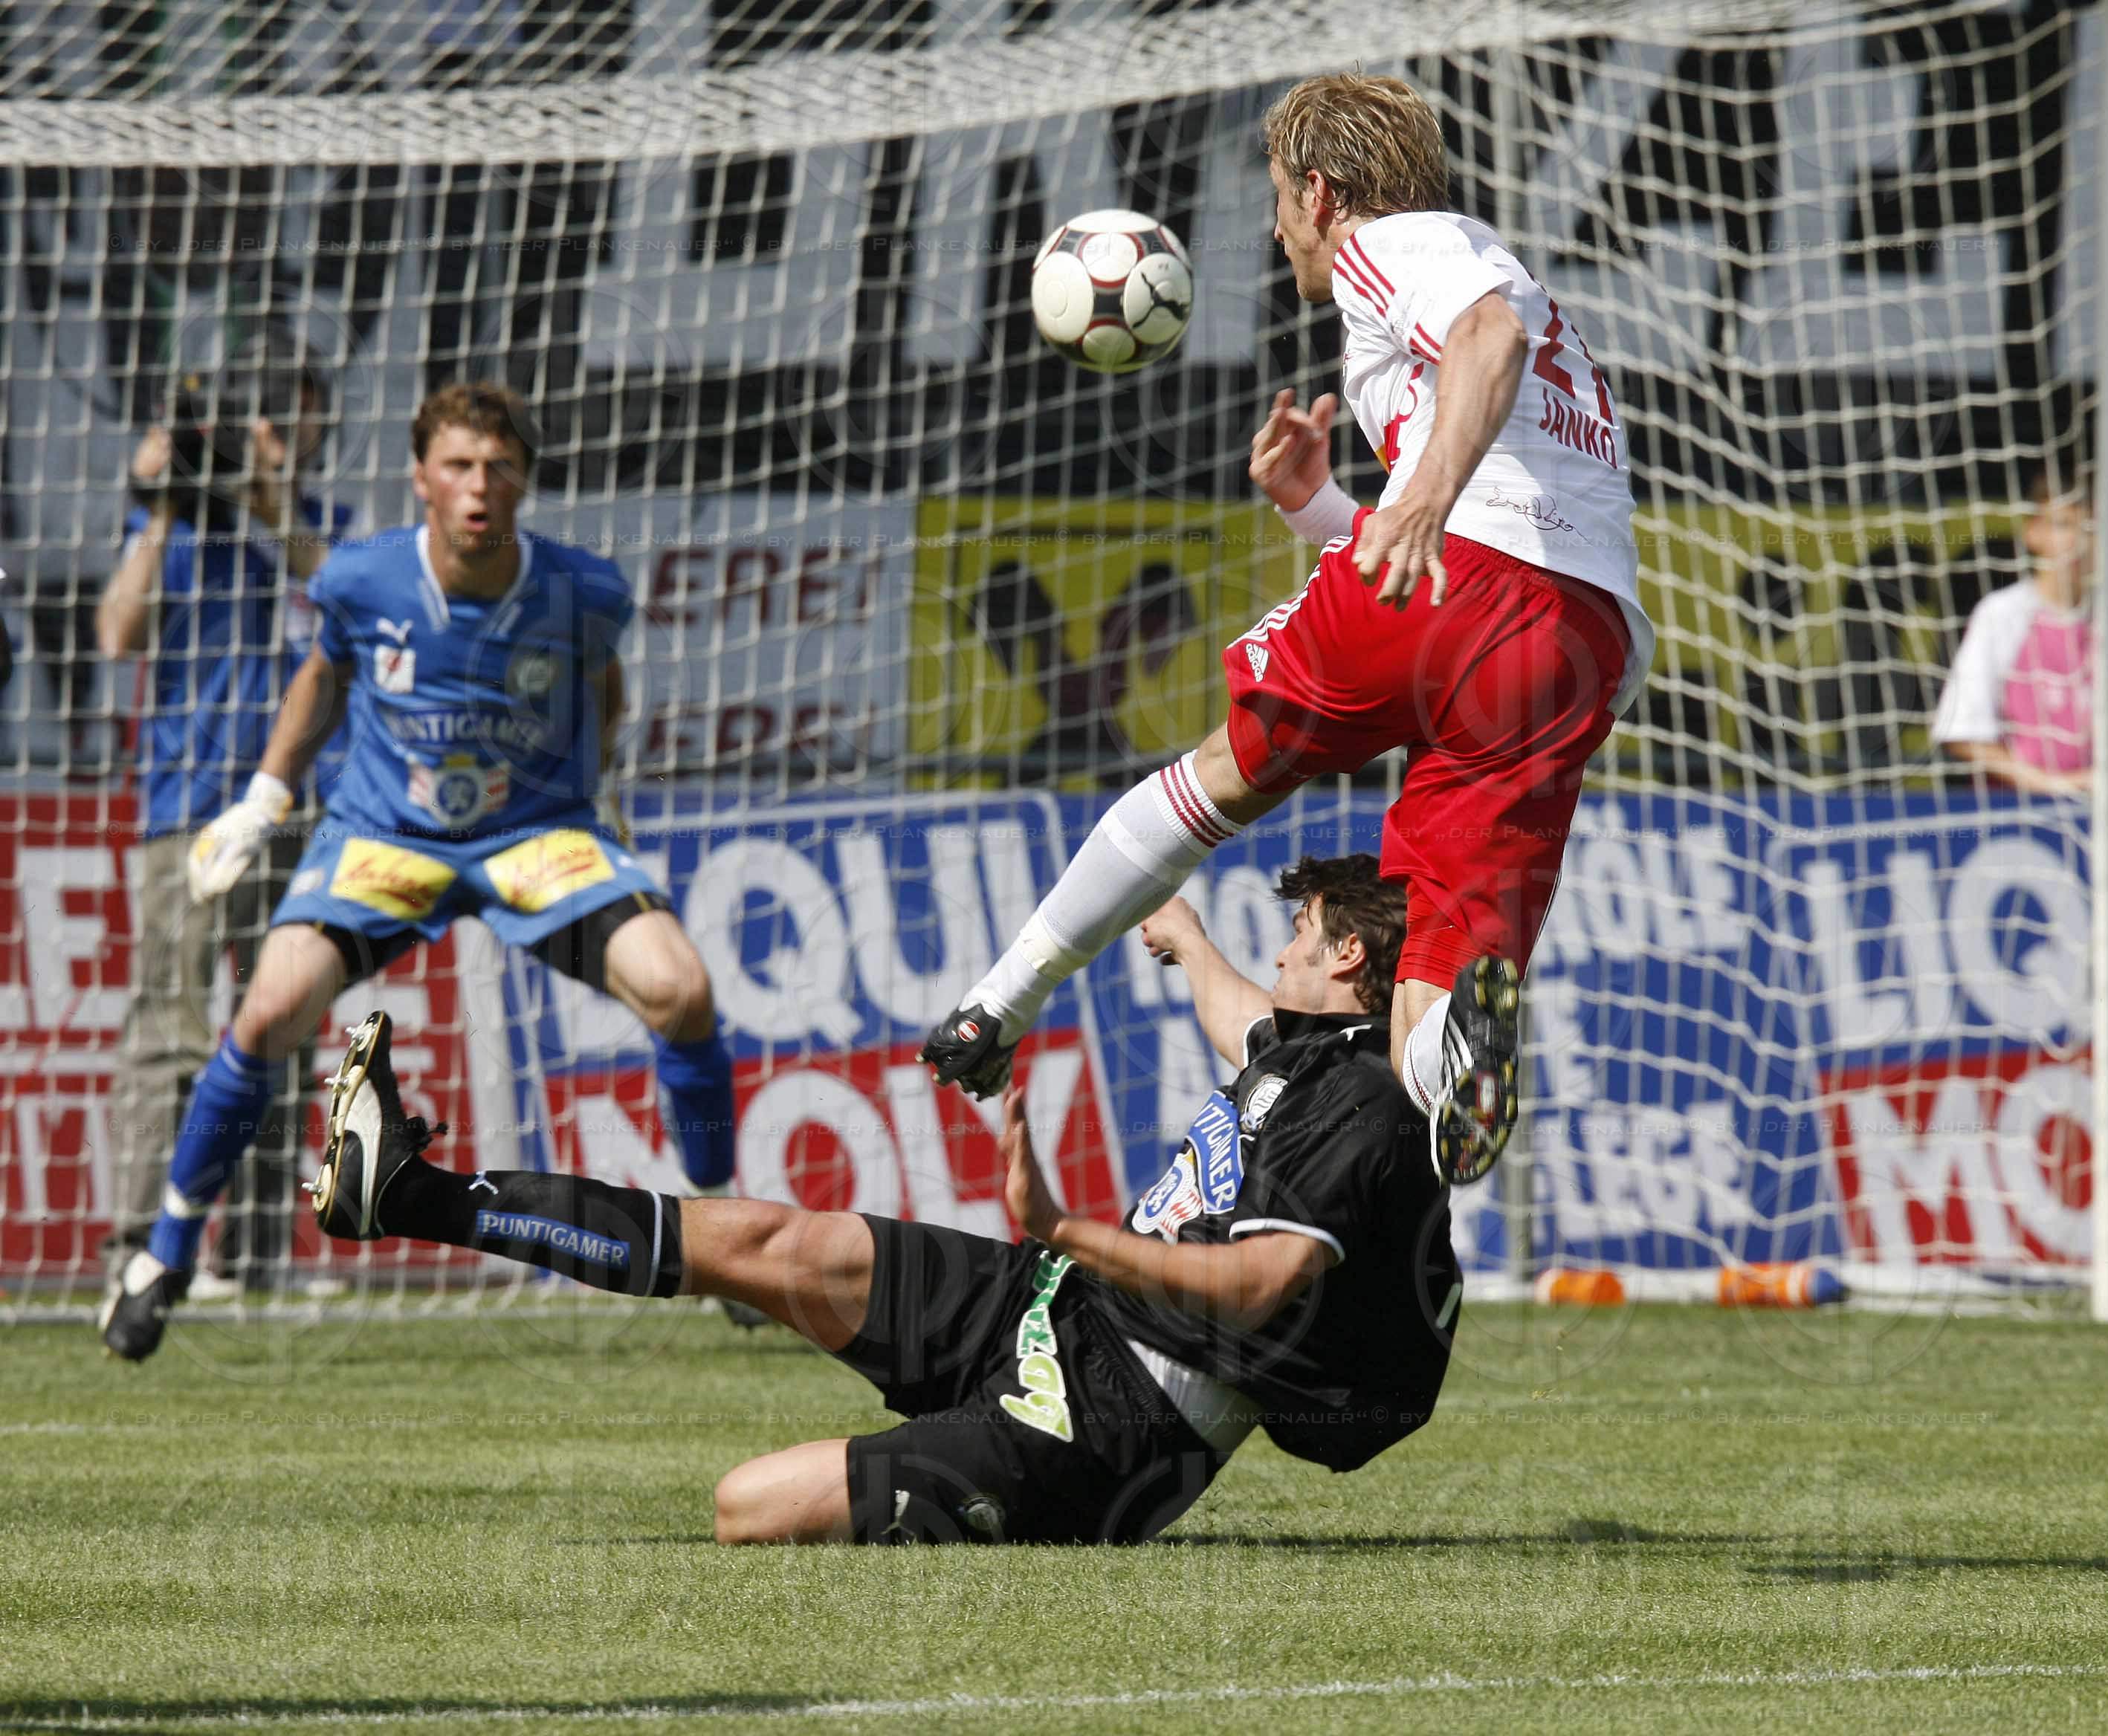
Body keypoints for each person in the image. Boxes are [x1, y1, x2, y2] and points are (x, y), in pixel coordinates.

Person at [919, 71, 1654, 1191]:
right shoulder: (1540, 309)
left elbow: (1487, 337)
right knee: (1425, 989)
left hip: (1461, 568)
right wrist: (1324, 512)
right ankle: (1453, 1057)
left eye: (1278, 199)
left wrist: (1420, 500)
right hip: (1574, 643)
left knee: (1215, 778)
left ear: (1320, 192)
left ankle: (997, 1002)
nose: (1276, 230)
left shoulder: (1399, 244)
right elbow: (1498, 541)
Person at [307, 852, 1458, 1544]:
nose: (1283, 951)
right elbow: (1241, 1015)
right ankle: (409, 1193)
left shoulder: (1364, 1105)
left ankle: (971, 1472)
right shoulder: (1308, 1052)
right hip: (1055, 1304)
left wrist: (1066, 1227)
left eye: (1300, 933)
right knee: (768, 1239)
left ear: (1349, 959)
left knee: (748, 1507)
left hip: (1122, 1427)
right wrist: (1188, 936)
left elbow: (1259, 1284)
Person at [99, 381, 737, 1361]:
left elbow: (601, 682)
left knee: (681, 989)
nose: (480, 485)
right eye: (460, 466)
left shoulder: (584, 589)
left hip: (533, 834)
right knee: (267, 1013)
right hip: (387, 837)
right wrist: (265, 796)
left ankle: (724, 1229)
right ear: (422, 479)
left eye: (500, 467)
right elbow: (324, 674)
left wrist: (594, 789)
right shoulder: (362, 577)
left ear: (525, 482)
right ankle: (163, 1256)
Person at [97, 370, 355, 1298]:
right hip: (185, 809)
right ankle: (139, 1249)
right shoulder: (172, 526)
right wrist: (161, 502)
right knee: (167, 1026)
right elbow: (117, 633)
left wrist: (270, 502)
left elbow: (344, 604)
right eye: (270, 411)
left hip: (293, 811)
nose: (283, 427)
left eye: (301, 413)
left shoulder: (322, 524)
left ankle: (255, 1256)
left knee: (281, 1026)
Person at [1931, 464, 2095, 794]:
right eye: (2063, 525)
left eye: (2091, 529)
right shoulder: (2003, 614)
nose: (2077, 542)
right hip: (2017, 811)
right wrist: (2054, 785)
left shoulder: (2099, 617)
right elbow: (1963, 734)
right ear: (2033, 533)